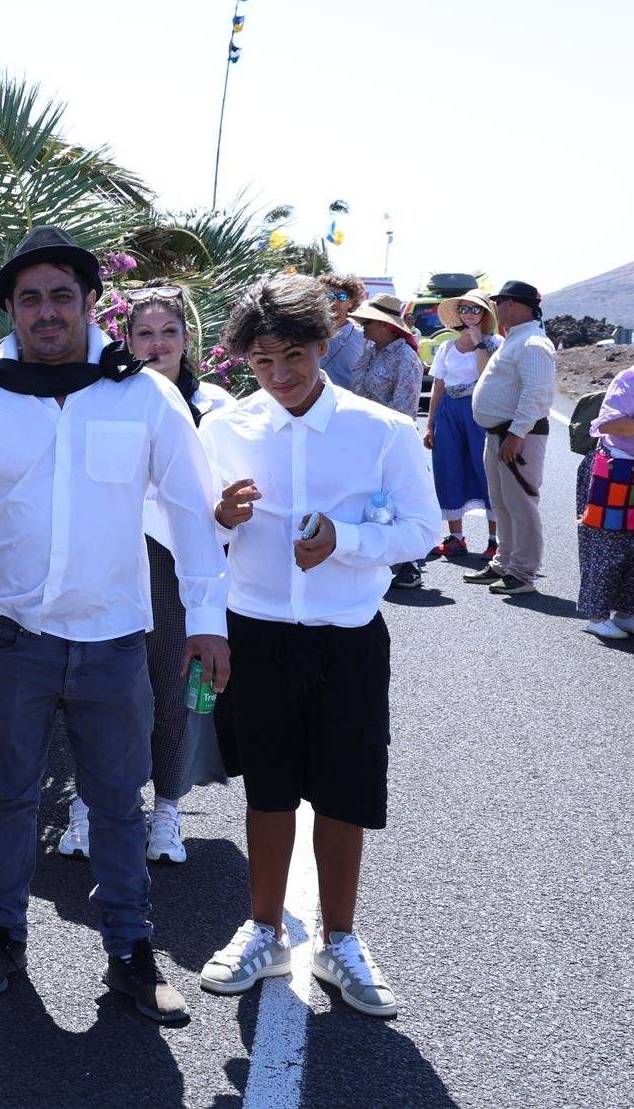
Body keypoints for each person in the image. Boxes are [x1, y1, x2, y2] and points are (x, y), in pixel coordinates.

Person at [0, 228, 230, 1027]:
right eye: (29, 299)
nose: (46, 311)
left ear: (89, 302)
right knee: (6, 797)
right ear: (10, 310)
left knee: (117, 803)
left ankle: (130, 951)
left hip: (112, 640)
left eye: (61, 295)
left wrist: (207, 621)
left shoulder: (143, 397)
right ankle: (0, 936)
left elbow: (192, 512)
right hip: (8, 639)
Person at [196, 275, 440, 1019]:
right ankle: (263, 930)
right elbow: (187, 533)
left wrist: (347, 540)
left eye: (293, 356)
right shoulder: (224, 429)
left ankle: (340, 940)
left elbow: (423, 530)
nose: (279, 375)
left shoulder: (382, 430)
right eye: (262, 361)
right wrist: (217, 516)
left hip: (347, 637)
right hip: (255, 633)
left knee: (344, 791)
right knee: (267, 789)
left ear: (323, 346)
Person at [57, 285, 234, 867]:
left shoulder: (217, 407)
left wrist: (228, 513)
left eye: (169, 333)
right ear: (127, 340)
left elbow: (226, 494)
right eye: (145, 334)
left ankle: (166, 811)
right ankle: (88, 804)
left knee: (172, 689)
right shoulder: (103, 394)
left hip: (179, 568)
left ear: (187, 340)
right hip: (110, 558)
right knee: (98, 691)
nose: (157, 345)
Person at [467, 281, 557, 597]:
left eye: (500, 302)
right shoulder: (517, 339)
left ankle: (522, 572)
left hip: (517, 435)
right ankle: (504, 563)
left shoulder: (532, 343)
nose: (496, 308)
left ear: (514, 305)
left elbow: (537, 393)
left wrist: (517, 434)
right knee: (503, 503)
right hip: (502, 433)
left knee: (520, 504)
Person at [576, 347, 634, 640]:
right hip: (616, 468)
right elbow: (609, 424)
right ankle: (597, 614)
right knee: (608, 543)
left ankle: (628, 612)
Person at [346, 296, 426, 588]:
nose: (363, 327)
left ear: (384, 325)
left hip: (386, 441)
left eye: (367, 322)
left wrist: (383, 442)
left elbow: (403, 409)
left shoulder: (405, 358)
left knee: (392, 501)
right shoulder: (371, 352)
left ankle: (407, 563)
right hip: (360, 437)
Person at [425, 292, 502, 559]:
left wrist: (479, 342)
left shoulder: (495, 344)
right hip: (448, 411)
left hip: (479, 410)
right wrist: (430, 424)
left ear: (485, 314)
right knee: (448, 468)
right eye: (464, 309)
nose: (469, 314)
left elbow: (486, 375)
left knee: (486, 470)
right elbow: (438, 386)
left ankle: (495, 540)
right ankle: (456, 537)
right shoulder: (447, 347)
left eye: (475, 309)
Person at [318, 273, 368, 389]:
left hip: (346, 398)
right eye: (329, 296)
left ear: (351, 302)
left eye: (342, 297)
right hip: (314, 398)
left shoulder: (362, 337)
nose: (334, 302)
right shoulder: (309, 332)